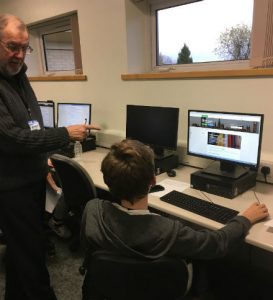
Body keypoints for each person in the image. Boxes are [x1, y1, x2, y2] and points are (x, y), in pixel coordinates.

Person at [81, 139, 269, 298]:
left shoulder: (93, 210)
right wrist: (245, 218)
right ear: (153, 181)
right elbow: (217, 243)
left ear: (107, 181)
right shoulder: (169, 232)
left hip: (109, 287)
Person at [0, 14, 100, 300]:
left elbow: (31, 124)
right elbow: (11, 137)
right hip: (11, 187)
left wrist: (43, 155)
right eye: (11, 47)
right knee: (30, 253)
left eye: (24, 48)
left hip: (31, 178)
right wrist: (64, 134)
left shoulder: (18, 75)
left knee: (26, 251)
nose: (19, 55)